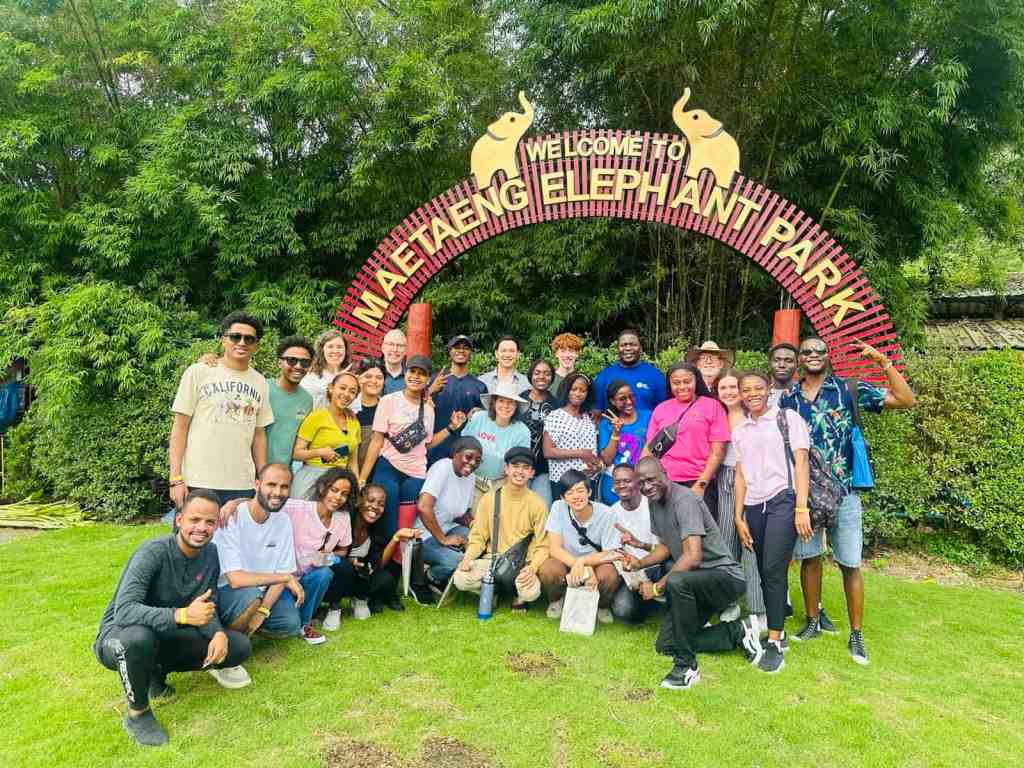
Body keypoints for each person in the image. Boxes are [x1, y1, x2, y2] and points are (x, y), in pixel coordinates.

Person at [781, 337, 915, 665]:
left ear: (828, 356)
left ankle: (856, 633)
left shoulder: (848, 389)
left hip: (844, 492)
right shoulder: (789, 397)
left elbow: (905, 399)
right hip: (806, 493)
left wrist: (883, 362)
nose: (814, 355)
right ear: (800, 359)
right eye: (807, 352)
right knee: (809, 559)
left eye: (819, 351)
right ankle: (812, 620)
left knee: (850, 564)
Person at [94, 490, 252, 747]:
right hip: (119, 637)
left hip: (164, 633)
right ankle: (138, 713)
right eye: (195, 520)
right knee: (138, 639)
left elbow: (206, 604)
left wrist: (218, 633)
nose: (201, 528)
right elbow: (124, 611)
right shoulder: (152, 552)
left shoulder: (211, 554)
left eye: (209, 522)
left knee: (238, 646)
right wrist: (182, 614)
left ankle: (154, 673)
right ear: (179, 520)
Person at [625, 458, 761, 690]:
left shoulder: (685, 500)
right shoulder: (654, 502)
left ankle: (686, 667)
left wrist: (657, 587)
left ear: (664, 473)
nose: (647, 487)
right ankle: (738, 631)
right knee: (666, 644)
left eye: (651, 480)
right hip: (696, 582)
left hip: (724, 577)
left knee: (676, 581)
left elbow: (692, 556)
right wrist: (639, 564)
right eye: (641, 483)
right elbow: (667, 546)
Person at [732, 371, 812, 673]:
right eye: (746, 389)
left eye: (758, 388)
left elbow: (801, 464)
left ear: (768, 390)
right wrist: (738, 516)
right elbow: (740, 475)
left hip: (783, 500)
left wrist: (801, 507)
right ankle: (778, 629)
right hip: (754, 505)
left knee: (773, 569)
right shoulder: (740, 430)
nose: (752, 393)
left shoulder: (787, 418)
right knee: (764, 571)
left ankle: (775, 640)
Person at [212, 464, 330, 654]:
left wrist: (263, 611)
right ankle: (229, 644)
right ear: (257, 484)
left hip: (263, 590)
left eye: (284, 487)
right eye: (271, 485)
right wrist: (283, 578)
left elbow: (283, 570)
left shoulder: (282, 520)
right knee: (251, 598)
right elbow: (235, 579)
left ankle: (251, 621)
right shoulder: (232, 516)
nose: (278, 492)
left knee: (290, 624)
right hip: (230, 591)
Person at [169, 312, 273, 509]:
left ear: (256, 346)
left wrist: (262, 477)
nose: (242, 343)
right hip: (198, 480)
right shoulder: (199, 371)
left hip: (242, 483)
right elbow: (180, 428)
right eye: (235, 337)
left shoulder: (260, 382)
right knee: (194, 529)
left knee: (237, 531)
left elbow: (259, 435)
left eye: (249, 339)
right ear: (223, 340)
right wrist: (176, 478)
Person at [358, 355, 464, 537]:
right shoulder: (388, 401)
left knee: (405, 527)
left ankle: (401, 556)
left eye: (421, 373)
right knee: (385, 522)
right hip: (388, 465)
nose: (415, 376)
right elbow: (376, 441)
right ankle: (380, 554)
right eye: (412, 371)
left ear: (428, 379)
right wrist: (362, 478)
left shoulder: (429, 409)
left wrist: (450, 428)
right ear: (405, 374)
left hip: (415, 473)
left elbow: (426, 444)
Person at [454, 446, 550, 609]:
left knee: (531, 592)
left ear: (532, 473)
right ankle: (492, 589)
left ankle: (516, 594)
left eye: (525, 468)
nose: (520, 472)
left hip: (521, 564)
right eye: (515, 466)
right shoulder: (490, 498)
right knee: (461, 579)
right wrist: (468, 558)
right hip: (492, 561)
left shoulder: (538, 504)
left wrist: (532, 567)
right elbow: (478, 537)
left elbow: (543, 544)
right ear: (506, 469)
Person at [713, 369, 766, 633]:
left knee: (750, 544)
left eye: (733, 387)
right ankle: (729, 602)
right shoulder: (717, 415)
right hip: (725, 478)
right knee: (726, 543)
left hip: (753, 481)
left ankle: (759, 610)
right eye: (723, 388)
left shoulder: (753, 414)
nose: (729, 392)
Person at [643, 362, 729, 522]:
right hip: (665, 482)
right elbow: (649, 448)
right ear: (669, 384)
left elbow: (718, 452)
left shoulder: (712, 406)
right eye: (676, 383)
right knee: (669, 532)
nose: (682, 386)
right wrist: (642, 477)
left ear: (696, 381)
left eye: (687, 381)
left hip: (698, 480)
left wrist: (701, 484)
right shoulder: (661, 409)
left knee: (699, 533)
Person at [538, 470, 622, 623]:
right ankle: (557, 600)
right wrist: (578, 565)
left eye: (580, 490)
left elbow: (610, 552)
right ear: (563, 497)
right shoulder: (558, 507)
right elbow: (554, 548)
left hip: (595, 562)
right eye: (569, 493)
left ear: (589, 492)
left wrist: (584, 563)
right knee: (548, 569)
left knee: (609, 574)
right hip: (566, 561)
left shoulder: (607, 514)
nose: (576, 496)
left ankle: (602, 605)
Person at [285, 467, 356, 632]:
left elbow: (344, 550)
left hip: (311, 577)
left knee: (325, 572)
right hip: (286, 578)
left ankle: (305, 622)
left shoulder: (343, 517)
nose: (338, 497)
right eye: (334, 490)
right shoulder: (298, 508)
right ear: (323, 488)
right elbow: (266, 503)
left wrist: (327, 555)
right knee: (286, 623)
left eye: (344, 494)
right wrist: (234, 504)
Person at [324, 484, 413, 616]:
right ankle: (334, 606)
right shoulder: (344, 519)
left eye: (381, 504)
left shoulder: (377, 527)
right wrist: (349, 561)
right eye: (370, 500)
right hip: (335, 575)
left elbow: (379, 563)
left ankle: (359, 598)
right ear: (359, 501)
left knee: (385, 577)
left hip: (358, 578)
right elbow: (326, 553)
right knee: (343, 567)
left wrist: (396, 538)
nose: (375, 507)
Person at [415, 437, 482, 596]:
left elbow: (462, 513)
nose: (472, 463)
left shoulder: (470, 477)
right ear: (455, 454)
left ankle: (461, 577)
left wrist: (477, 529)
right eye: (468, 457)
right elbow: (423, 507)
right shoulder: (443, 467)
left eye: (477, 461)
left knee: (479, 543)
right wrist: (443, 540)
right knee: (457, 561)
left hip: (448, 527)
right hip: (424, 535)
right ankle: (431, 577)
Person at [291, 372, 361, 499]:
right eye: (342, 388)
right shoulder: (316, 417)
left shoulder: (354, 422)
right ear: (331, 388)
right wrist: (320, 452)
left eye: (352, 392)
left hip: (339, 482)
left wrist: (356, 488)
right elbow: (296, 453)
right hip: (312, 479)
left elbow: (353, 462)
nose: (346, 394)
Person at [608, 464, 662, 624]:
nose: (622, 485)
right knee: (623, 609)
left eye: (626, 481)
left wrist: (640, 545)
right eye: (617, 482)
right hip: (633, 572)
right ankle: (649, 601)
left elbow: (664, 549)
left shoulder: (653, 506)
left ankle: (660, 595)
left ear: (638, 483)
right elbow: (615, 553)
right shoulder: (611, 513)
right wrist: (638, 578)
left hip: (659, 565)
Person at [462, 382, 532, 504]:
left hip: (501, 483)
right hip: (470, 478)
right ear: (493, 403)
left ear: (516, 406)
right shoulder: (479, 418)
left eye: (510, 402)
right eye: (501, 401)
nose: (505, 406)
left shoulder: (522, 431)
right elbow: (463, 446)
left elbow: (520, 464)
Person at [426, 335, 488, 465]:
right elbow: (416, 407)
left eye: (465, 348)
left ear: (471, 353)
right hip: (434, 447)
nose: (461, 350)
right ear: (449, 351)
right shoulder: (435, 380)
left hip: (463, 450)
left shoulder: (479, 386)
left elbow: (484, 421)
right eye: (457, 347)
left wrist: (479, 413)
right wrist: (430, 390)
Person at [543, 372, 601, 500]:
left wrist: (596, 466)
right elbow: (548, 451)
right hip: (563, 482)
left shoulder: (588, 418)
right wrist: (580, 453)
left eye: (582, 391)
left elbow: (592, 452)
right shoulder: (555, 416)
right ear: (566, 390)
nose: (578, 393)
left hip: (586, 482)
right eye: (574, 389)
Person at [597, 380, 651, 505]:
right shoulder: (606, 424)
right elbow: (607, 460)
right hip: (616, 483)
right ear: (612, 401)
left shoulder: (647, 416)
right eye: (622, 399)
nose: (629, 401)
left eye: (631, 396)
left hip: (642, 481)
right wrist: (616, 432)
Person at [264, 336, 315, 466]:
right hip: (255, 469)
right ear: (279, 362)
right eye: (291, 360)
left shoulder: (307, 400)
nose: (298, 366)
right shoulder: (262, 388)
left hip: (285, 472)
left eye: (305, 362)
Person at [592, 329, 667, 414]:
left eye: (633, 344)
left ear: (640, 347)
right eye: (623, 345)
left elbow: (664, 412)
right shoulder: (604, 376)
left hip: (648, 423)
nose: (628, 348)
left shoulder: (656, 376)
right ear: (617, 348)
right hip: (613, 423)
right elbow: (596, 412)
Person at [519, 358, 559, 509]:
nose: (542, 377)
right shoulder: (519, 400)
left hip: (544, 469)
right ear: (530, 375)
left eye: (547, 373)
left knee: (542, 508)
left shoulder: (556, 405)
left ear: (552, 378)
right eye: (537, 373)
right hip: (519, 465)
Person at [301, 329, 351, 409]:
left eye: (340, 347)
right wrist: (335, 381)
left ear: (345, 350)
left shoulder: (350, 376)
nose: (335, 351)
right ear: (322, 350)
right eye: (330, 347)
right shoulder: (311, 376)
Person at [353, 358, 386, 468]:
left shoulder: (387, 407)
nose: (374, 381)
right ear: (359, 379)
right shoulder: (348, 407)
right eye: (368, 376)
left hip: (377, 469)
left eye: (379, 378)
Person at [767, 342, 799, 407]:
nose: (782, 365)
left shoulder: (806, 394)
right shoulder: (761, 395)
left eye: (788, 361)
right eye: (776, 360)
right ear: (769, 364)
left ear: (797, 364)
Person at [380, 328, 408, 394]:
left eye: (400, 345)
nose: (395, 349)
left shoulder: (411, 377)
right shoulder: (372, 375)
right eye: (391, 344)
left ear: (405, 350)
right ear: (383, 348)